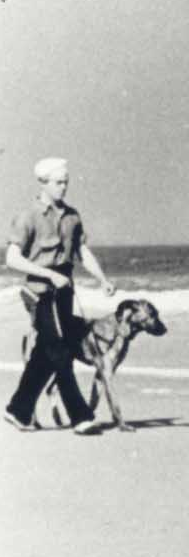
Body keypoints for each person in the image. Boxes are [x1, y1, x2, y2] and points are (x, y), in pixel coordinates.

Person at [4, 157, 116, 435]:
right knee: (60, 351)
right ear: (43, 182)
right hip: (39, 294)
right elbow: (12, 259)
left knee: (46, 351)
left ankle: (18, 410)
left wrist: (102, 279)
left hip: (64, 293)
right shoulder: (28, 216)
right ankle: (80, 416)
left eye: (66, 182)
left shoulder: (72, 216)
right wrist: (48, 275)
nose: (64, 187)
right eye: (58, 182)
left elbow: (81, 251)